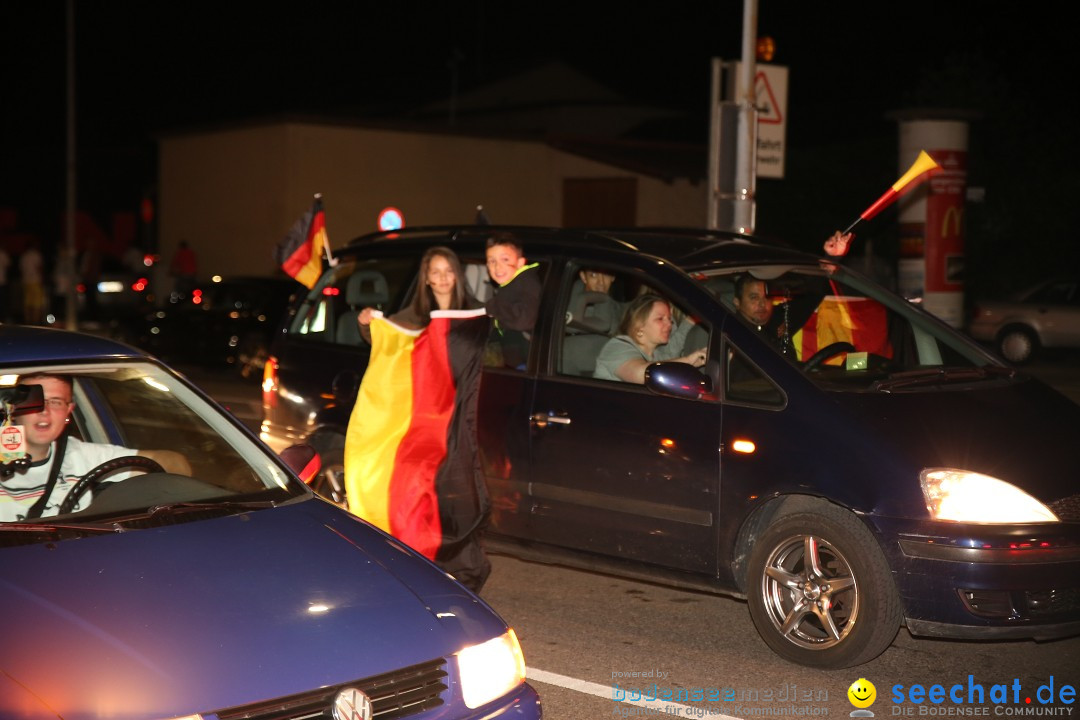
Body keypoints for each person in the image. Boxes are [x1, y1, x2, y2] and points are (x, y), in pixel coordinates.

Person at [0, 373, 192, 522]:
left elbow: (174, 462)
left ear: (69, 411)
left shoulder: (82, 455)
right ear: (13, 408)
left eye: (56, 402)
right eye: (36, 401)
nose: (45, 411)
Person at [357, 245, 479, 341]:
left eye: (449, 271)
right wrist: (366, 324)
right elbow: (385, 338)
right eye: (436, 272)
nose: (443, 277)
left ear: (457, 275)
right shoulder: (413, 316)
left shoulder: (475, 312)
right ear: (426, 278)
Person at [593, 293, 707, 383]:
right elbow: (642, 374)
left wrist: (691, 320)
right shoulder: (617, 347)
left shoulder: (656, 354)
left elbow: (671, 353)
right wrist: (688, 361)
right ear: (639, 326)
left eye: (669, 319)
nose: (669, 324)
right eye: (660, 319)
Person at [19, 238, 45, 325]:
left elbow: (21, 269)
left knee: (28, 302)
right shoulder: (36, 255)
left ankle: (28, 321)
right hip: (35, 280)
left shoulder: (24, 256)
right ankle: (35, 322)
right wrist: (42, 279)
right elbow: (39, 268)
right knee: (37, 303)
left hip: (26, 281)